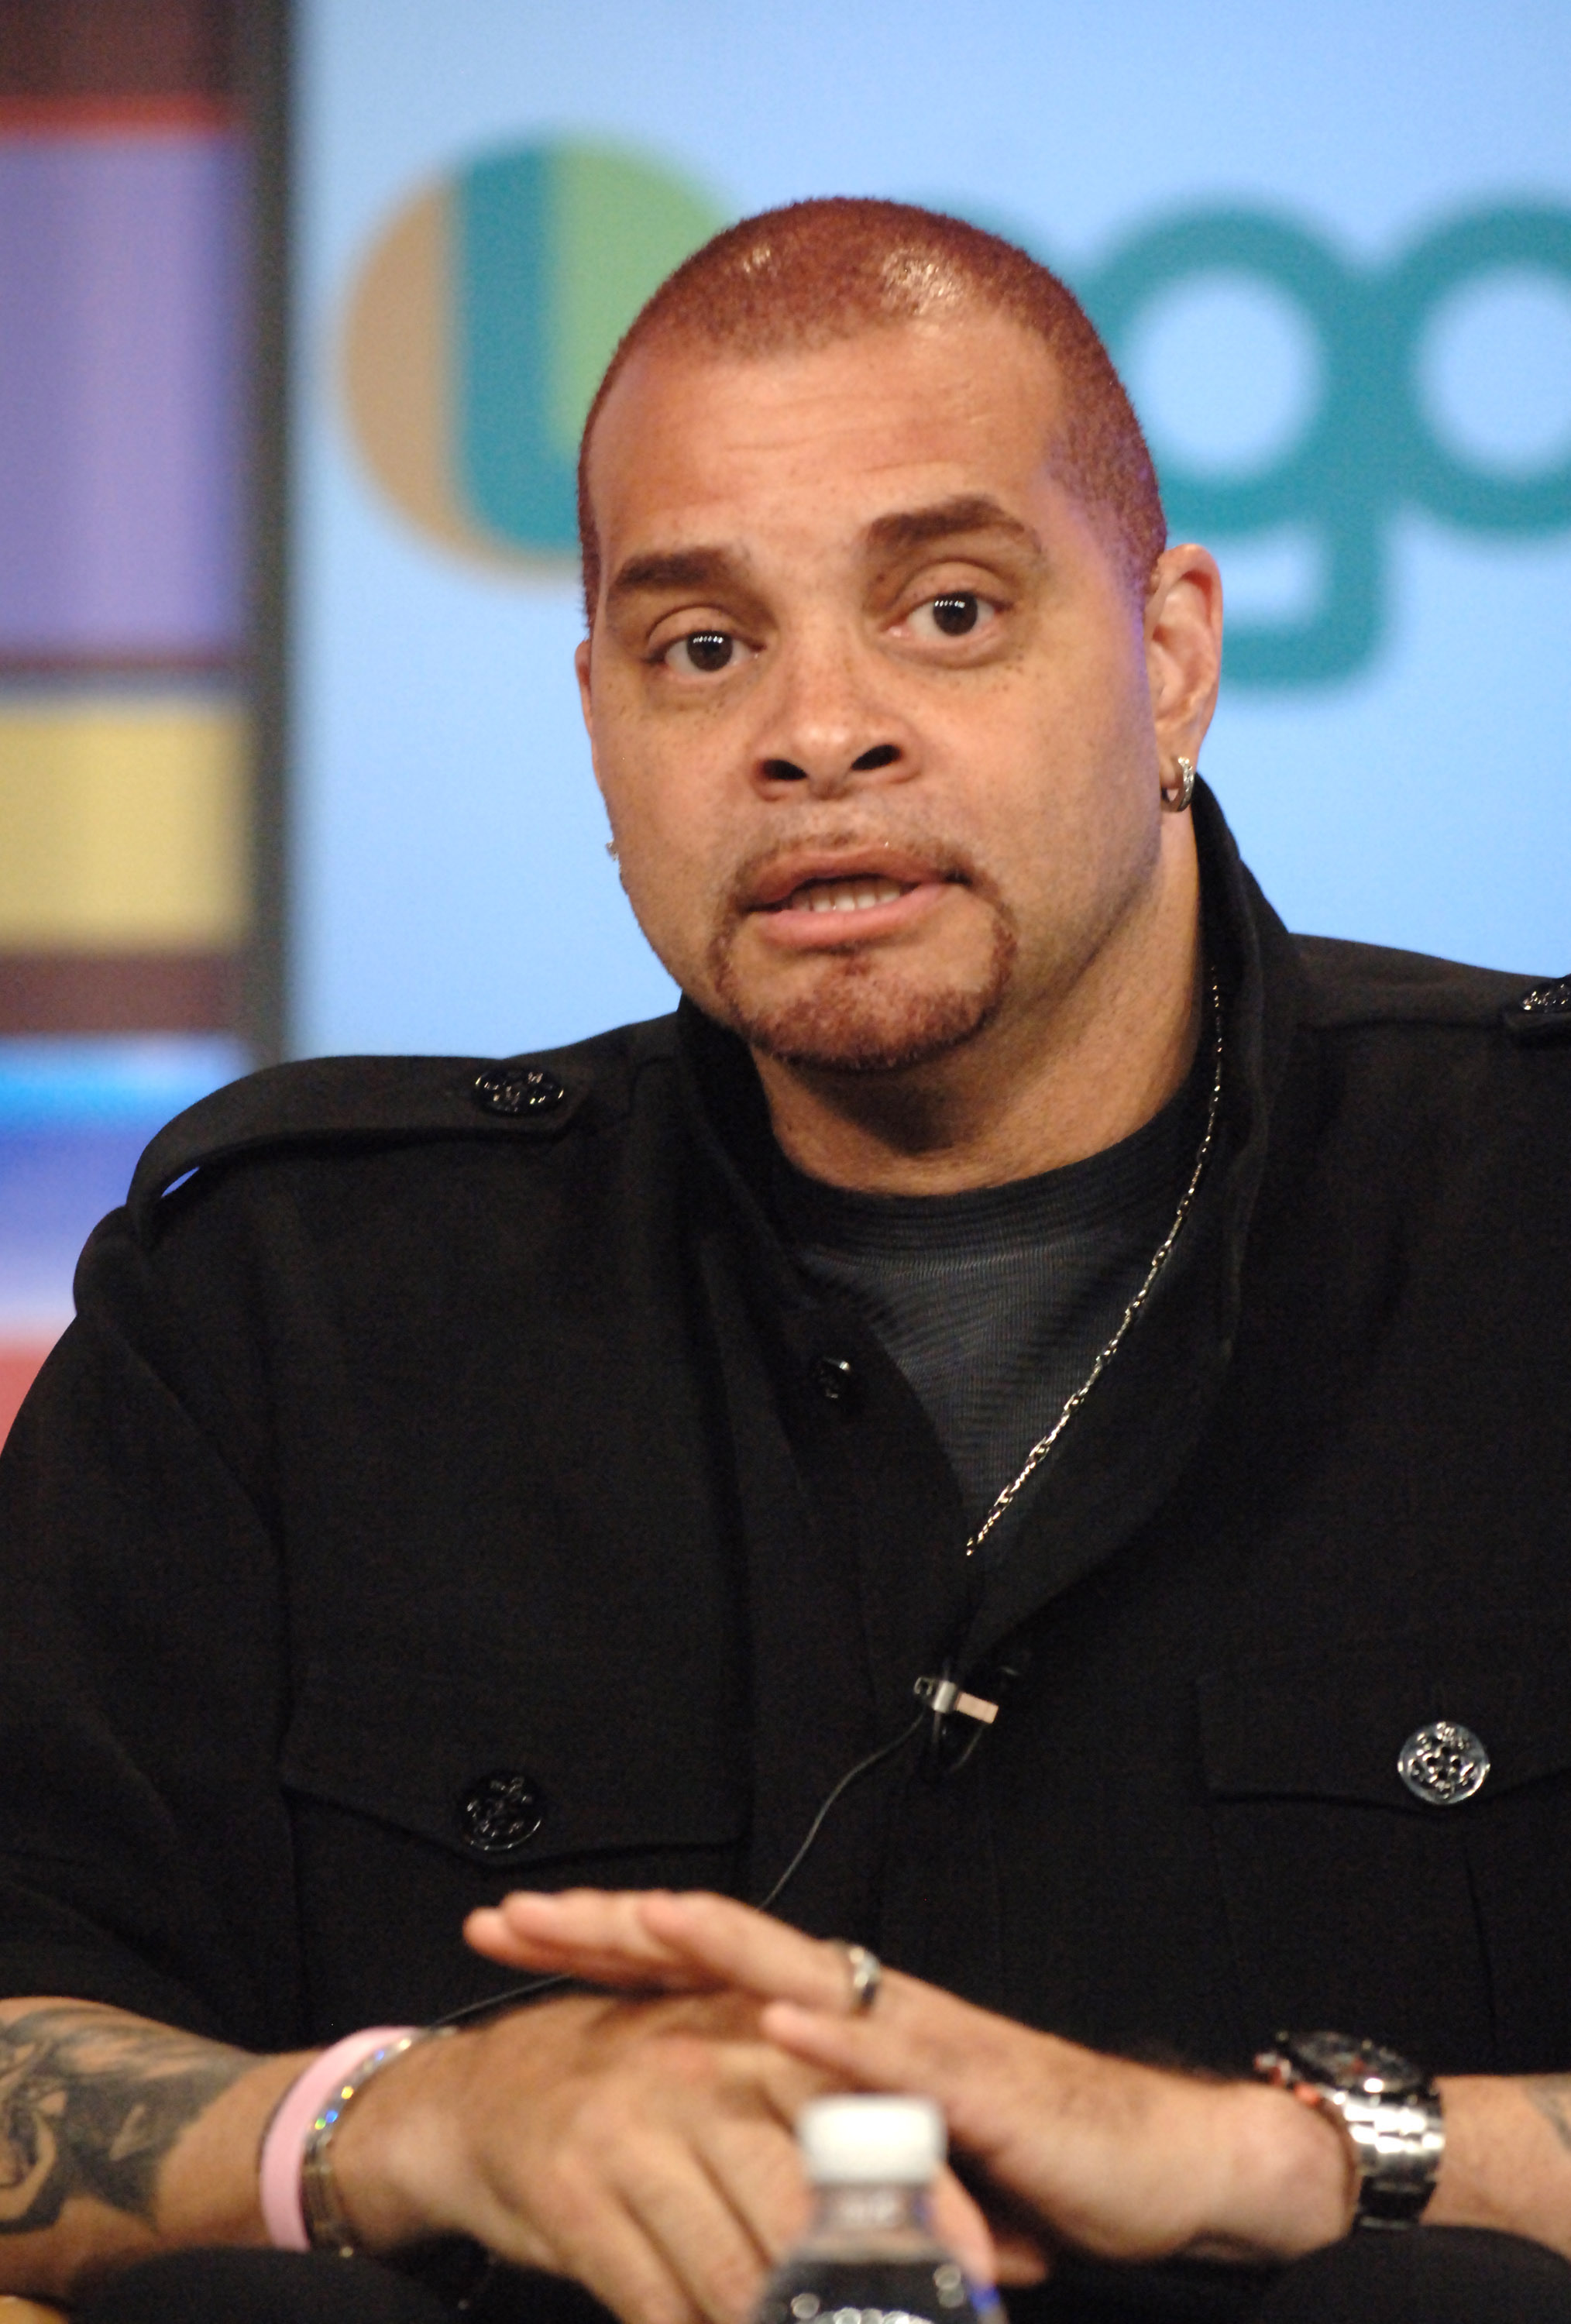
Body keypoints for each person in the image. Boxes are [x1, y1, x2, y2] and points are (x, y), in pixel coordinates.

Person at [0, 197, 1569, 2324]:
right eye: (703, 647)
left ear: (1170, 652)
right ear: (598, 722)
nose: (815, 732)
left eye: (942, 609)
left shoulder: (1520, 1203)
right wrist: (403, 2124)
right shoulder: (286, 1308)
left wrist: (1279, 2155)